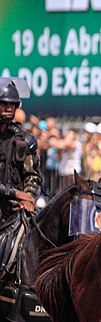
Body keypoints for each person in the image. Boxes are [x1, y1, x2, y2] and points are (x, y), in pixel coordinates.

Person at [0, 77, 39, 218]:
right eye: (4, 103)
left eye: (12, 104)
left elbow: (32, 175)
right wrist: (17, 194)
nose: (9, 108)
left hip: (18, 210)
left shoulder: (22, 140)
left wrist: (29, 197)